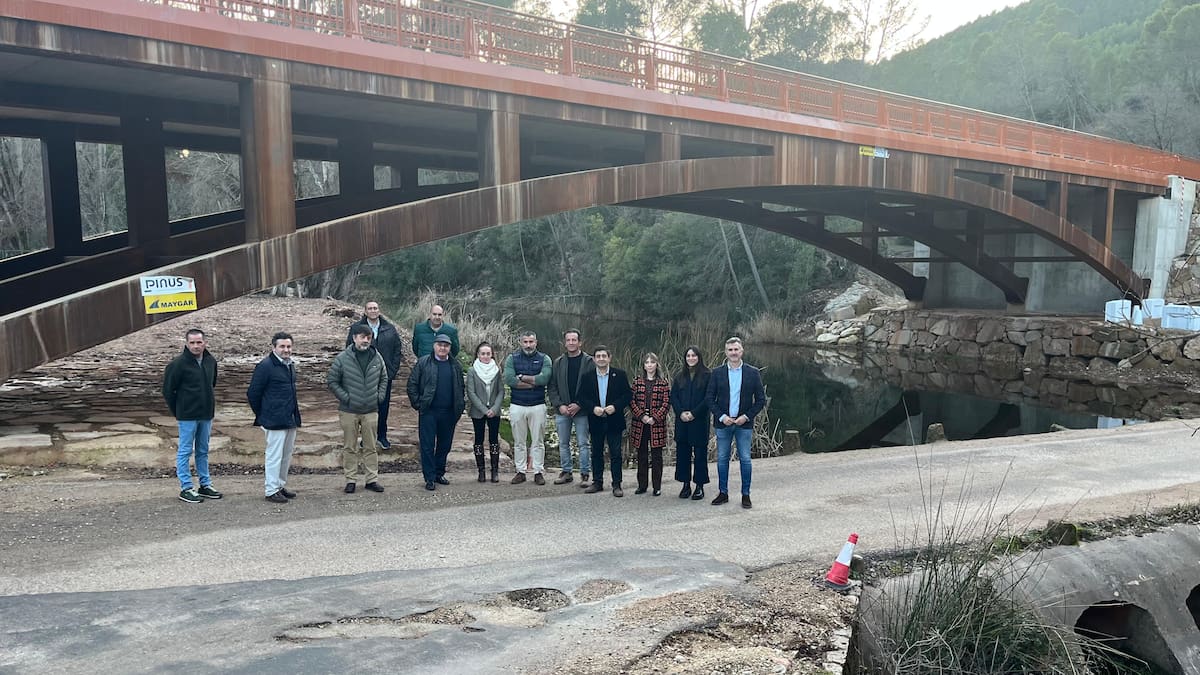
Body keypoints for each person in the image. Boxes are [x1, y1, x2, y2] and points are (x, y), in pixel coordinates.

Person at [162, 328, 221, 504]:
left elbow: (212, 384)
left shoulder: (211, 361)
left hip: (206, 413)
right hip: (187, 415)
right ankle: (186, 487)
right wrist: (179, 410)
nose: (196, 346)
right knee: (185, 451)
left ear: (205, 343)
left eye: (199, 342)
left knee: (203, 450)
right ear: (187, 344)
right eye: (192, 343)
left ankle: (205, 484)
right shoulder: (178, 364)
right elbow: (168, 390)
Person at [705, 337, 765, 509]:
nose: (733, 353)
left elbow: (760, 400)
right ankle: (723, 493)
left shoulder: (752, 372)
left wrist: (746, 416)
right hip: (723, 423)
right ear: (726, 352)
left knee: (745, 459)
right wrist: (722, 416)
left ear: (742, 351)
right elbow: (710, 398)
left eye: (736, 349)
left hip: (743, 424)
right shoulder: (717, 373)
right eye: (730, 350)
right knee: (722, 459)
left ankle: (746, 495)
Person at [328, 324, 388, 494]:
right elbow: (332, 381)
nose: (366, 340)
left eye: (368, 337)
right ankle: (351, 480)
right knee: (350, 447)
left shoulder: (377, 358)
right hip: (349, 411)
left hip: (370, 410)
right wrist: (347, 398)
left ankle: (371, 480)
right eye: (362, 337)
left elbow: (384, 378)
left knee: (371, 447)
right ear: (354, 338)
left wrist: (379, 396)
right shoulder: (342, 358)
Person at [247, 332, 302, 504]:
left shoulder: (289, 365)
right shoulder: (265, 366)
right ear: (274, 347)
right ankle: (271, 490)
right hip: (273, 419)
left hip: (290, 417)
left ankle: (279, 485)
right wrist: (263, 415)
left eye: (288, 346)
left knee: (286, 455)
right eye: (282, 346)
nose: (286, 350)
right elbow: (253, 393)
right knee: (274, 455)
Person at [407, 333, 466, 491]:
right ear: (434, 346)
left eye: (446, 345)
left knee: (444, 445)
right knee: (427, 446)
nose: (442, 348)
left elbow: (461, 387)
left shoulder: (455, 365)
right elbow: (412, 385)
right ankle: (429, 477)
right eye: (440, 345)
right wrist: (418, 404)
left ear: (449, 348)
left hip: (449, 412)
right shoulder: (423, 363)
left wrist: (460, 407)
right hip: (429, 412)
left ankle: (439, 473)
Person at [346, 300, 403, 449]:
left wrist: (392, 370)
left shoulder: (389, 329)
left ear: (379, 310)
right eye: (370, 308)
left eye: (375, 308)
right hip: (364, 376)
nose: (373, 310)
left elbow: (397, 349)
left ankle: (382, 436)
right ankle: (367, 438)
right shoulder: (356, 329)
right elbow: (349, 350)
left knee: (383, 407)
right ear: (365, 311)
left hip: (385, 375)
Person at [578, 345, 631, 497]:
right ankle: (597, 482)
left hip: (614, 419)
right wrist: (592, 408)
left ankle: (617, 484)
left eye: (604, 356)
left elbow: (627, 395)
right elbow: (581, 397)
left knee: (615, 454)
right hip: (596, 419)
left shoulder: (619, 375)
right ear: (594, 359)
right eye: (598, 356)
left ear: (609, 358)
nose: (601, 359)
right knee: (596, 453)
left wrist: (615, 406)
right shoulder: (587, 376)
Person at [503, 331, 552, 485]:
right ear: (521, 343)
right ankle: (520, 471)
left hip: (538, 405)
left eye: (531, 342)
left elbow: (544, 379)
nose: (528, 345)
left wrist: (522, 377)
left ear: (536, 342)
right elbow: (509, 379)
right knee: (519, 441)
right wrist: (533, 383)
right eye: (525, 342)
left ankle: (538, 471)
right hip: (517, 405)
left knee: (537, 440)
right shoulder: (512, 358)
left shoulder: (544, 359)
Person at [547, 329, 593, 486]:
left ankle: (585, 474)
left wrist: (580, 404)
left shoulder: (589, 362)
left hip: (583, 410)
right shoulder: (558, 362)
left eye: (574, 340)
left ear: (580, 342)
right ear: (564, 343)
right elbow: (552, 386)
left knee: (583, 443)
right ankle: (566, 472)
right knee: (563, 443)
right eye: (569, 340)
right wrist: (559, 405)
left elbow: (593, 387)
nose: (571, 343)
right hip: (563, 410)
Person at [671, 346, 711, 501]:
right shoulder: (680, 376)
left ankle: (699, 486)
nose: (691, 358)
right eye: (688, 355)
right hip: (682, 421)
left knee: (700, 455)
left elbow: (709, 398)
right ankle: (685, 484)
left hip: (699, 421)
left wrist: (694, 413)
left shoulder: (708, 375)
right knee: (683, 454)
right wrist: (681, 412)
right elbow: (673, 396)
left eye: (694, 355)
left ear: (699, 357)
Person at [630, 352, 671, 496]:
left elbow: (666, 403)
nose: (649, 365)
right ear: (643, 365)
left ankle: (657, 486)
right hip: (640, 424)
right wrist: (641, 416)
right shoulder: (637, 382)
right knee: (641, 455)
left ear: (656, 364)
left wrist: (655, 417)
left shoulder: (663, 382)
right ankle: (642, 485)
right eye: (647, 363)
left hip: (656, 424)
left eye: (652, 362)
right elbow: (632, 401)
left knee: (656, 457)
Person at [466, 341, 504, 483]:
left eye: (488, 354)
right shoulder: (472, 371)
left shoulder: (497, 370)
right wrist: (484, 409)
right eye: (483, 354)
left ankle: (494, 471)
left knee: (494, 440)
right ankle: (481, 471)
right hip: (478, 411)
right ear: (478, 355)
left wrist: (494, 409)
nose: (486, 356)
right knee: (479, 440)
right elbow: (471, 392)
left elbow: (501, 391)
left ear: (492, 354)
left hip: (494, 410)